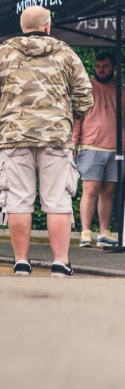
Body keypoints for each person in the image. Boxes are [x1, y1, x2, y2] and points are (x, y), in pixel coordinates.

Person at [0, 5, 93, 277]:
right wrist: (70, 125)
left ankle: (21, 262)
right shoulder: (66, 54)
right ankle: (60, 262)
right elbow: (85, 98)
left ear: (22, 26)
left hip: (13, 138)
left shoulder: (1, 54)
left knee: (18, 201)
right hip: (56, 138)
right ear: (48, 26)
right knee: (58, 201)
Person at [73, 51, 120, 248]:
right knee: (90, 190)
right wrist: (73, 142)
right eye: (98, 66)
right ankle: (85, 233)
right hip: (90, 146)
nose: (101, 70)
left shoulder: (121, 90)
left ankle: (103, 233)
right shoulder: (88, 87)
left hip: (116, 149)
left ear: (114, 68)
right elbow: (78, 116)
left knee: (108, 192)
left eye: (105, 66)